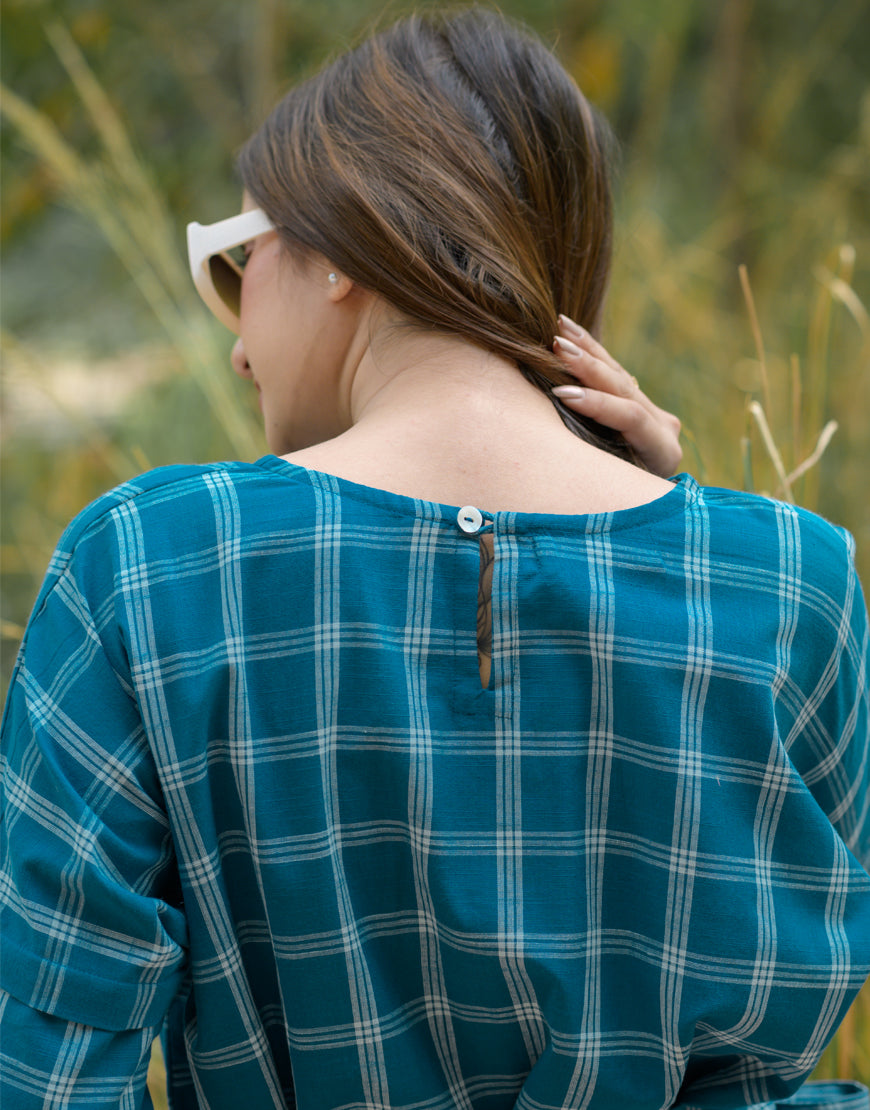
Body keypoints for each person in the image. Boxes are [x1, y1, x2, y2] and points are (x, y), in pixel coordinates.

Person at [1, 9, 868, 1109]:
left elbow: (51, 1070)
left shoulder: (143, 567)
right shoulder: (795, 581)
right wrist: (681, 523)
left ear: (343, 247)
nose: (232, 340)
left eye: (234, 262)